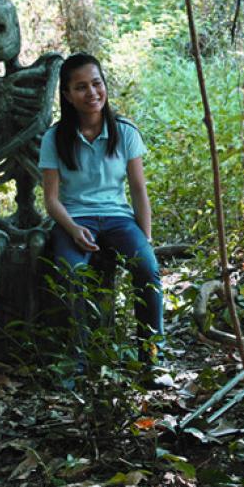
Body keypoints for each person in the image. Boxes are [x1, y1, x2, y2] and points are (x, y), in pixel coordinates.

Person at [39, 53, 164, 378]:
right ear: (67, 95)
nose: (92, 93)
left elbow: (138, 190)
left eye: (96, 83)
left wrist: (146, 238)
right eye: (81, 87)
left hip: (118, 219)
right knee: (73, 274)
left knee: (148, 270)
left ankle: (150, 358)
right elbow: (51, 200)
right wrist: (72, 228)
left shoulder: (124, 132)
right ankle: (78, 360)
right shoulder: (54, 138)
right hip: (74, 219)